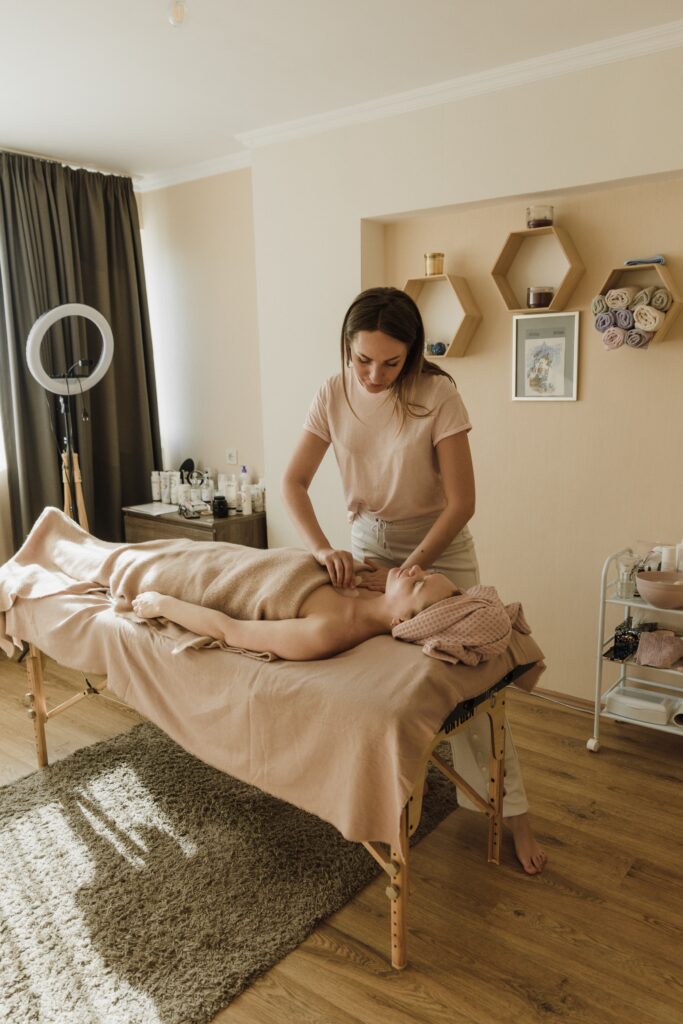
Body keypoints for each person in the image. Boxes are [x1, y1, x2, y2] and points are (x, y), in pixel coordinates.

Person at [281, 286, 547, 874]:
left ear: (413, 353)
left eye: (391, 362)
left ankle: (514, 816)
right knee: (369, 684)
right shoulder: (332, 393)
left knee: (472, 690)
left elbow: (462, 501)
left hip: (440, 549)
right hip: (367, 544)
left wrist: (417, 564)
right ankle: (372, 800)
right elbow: (293, 482)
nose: (375, 375)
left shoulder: (437, 394)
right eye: (362, 360)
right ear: (346, 350)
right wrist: (324, 549)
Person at [132, 563, 456, 660]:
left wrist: (162, 604)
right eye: (426, 574)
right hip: (230, 558)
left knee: (110, 561)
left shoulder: (327, 631)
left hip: (201, 579)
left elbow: (230, 630)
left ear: (400, 622)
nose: (415, 569)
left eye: (417, 585)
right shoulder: (372, 578)